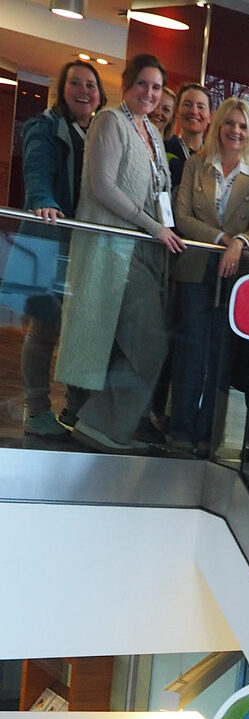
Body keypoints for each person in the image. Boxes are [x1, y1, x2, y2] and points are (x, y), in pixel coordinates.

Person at [57, 54, 183, 456]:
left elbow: (158, 195)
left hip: (143, 251)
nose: (149, 92)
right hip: (114, 251)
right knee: (149, 344)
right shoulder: (111, 120)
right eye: (143, 84)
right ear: (127, 84)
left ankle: (100, 424)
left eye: (157, 87)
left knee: (140, 344)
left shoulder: (150, 130)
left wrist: (163, 230)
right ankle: (99, 425)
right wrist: (154, 227)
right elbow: (103, 187)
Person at [19, 58, 104, 439]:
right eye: (76, 83)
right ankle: (36, 408)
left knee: (83, 331)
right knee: (44, 329)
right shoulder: (45, 127)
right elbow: (36, 169)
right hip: (48, 241)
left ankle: (76, 409)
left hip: (87, 247)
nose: (83, 91)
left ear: (100, 93)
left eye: (90, 85)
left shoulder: (102, 132)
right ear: (62, 89)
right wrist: (42, 200)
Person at [164, 81, 210, 189]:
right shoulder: (164, 147)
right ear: (177, 112)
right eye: (187, 104)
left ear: (210, 117)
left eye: (201, 106)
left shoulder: (214, 157)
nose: (194, 111)